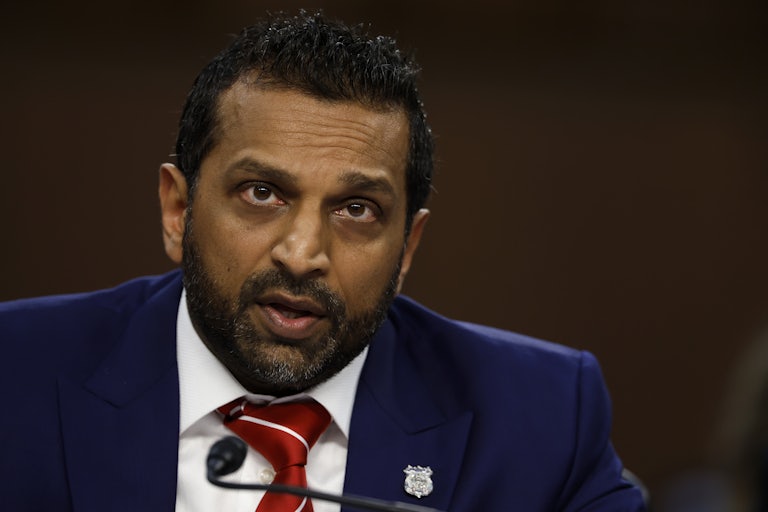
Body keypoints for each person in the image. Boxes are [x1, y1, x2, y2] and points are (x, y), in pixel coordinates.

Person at [0, 10, 646, 512]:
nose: (303, 253)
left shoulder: (541, 419)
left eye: (356, 209)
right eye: (262, 194)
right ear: (178, 209)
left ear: (407, 249)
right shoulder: (17, 373)